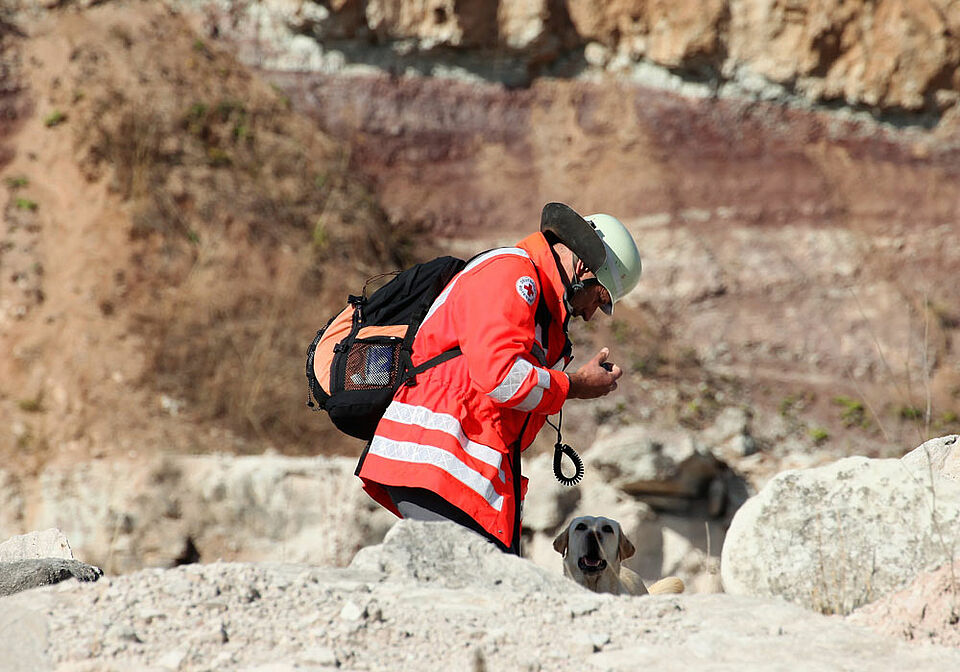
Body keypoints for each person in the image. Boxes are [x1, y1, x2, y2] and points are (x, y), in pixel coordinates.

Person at [355, 202, 643, 554]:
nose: (589, 313)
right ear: (583, 267)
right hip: (436, 464)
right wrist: (575, 386)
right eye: (599, 298)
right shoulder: (511, 273)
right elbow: (501, 376)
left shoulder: (544, 312)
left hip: (464, 475)